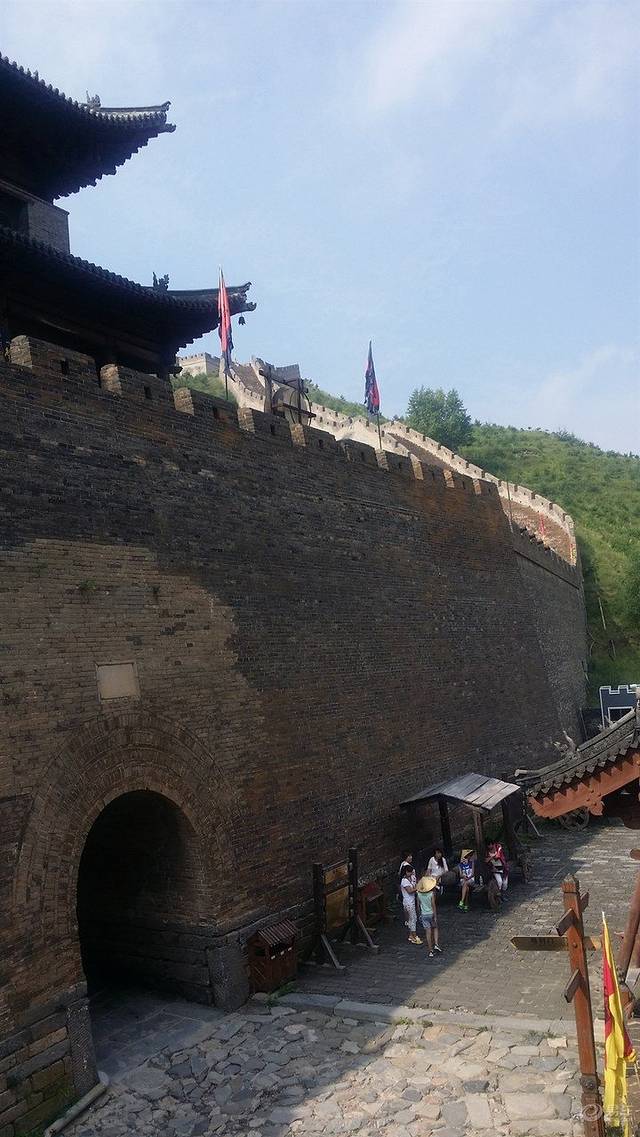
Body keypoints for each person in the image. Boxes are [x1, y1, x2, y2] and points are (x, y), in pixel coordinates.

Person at [416, 874, 442, 957]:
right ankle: (436, 944)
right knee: (435, 927)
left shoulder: (418, 894)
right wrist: (435, 916)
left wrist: (419, 914)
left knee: (428, 932)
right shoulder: (431, 894)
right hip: (431, 914)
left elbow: (418, 906)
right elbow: (433, 906)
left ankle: (430, 951)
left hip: (424, 915)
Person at [400, 864, 422, 944]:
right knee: (412, 918)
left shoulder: (412, 877)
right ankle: (414, 936)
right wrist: (418, 887)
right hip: (408, 902)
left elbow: (415, 883)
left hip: (412, 900)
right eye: (409, 872)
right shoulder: (404, 881)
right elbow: (409, 891)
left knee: (412, 918)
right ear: (406, 872)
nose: (411, 873)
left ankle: (411, 935)